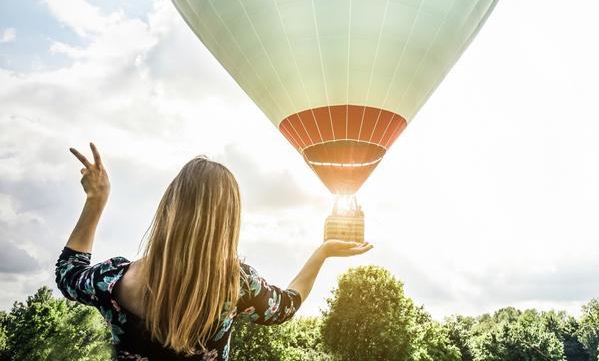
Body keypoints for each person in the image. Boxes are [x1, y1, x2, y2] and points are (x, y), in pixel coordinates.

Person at [56, 143, 372, 360]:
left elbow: (68, 273)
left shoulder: (113, 280)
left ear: (168, 207)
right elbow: (287, 306)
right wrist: (322, 253)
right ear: (228, 221)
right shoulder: (237, 283)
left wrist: (95, 201)